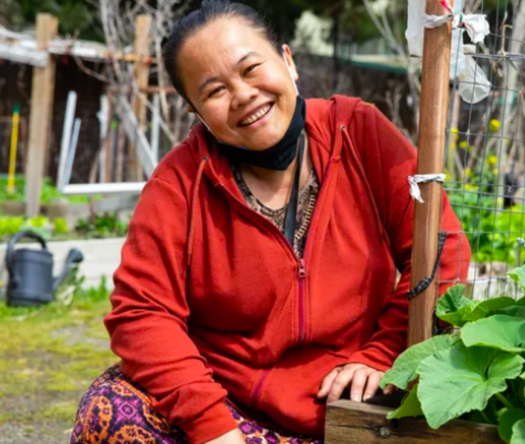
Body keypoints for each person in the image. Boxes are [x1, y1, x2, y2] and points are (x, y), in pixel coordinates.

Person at [70, 1, 469, 443]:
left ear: (287, 61)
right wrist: (211, 425)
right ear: (195, 112)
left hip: (351, 413)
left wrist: (383, 353)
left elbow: (441, 247)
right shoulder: (180, 182)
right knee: (112, 412)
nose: (242, 95)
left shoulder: (357, 131)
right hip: (228, 409)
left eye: (250, 68)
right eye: (214, 91)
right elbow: (142, 312)